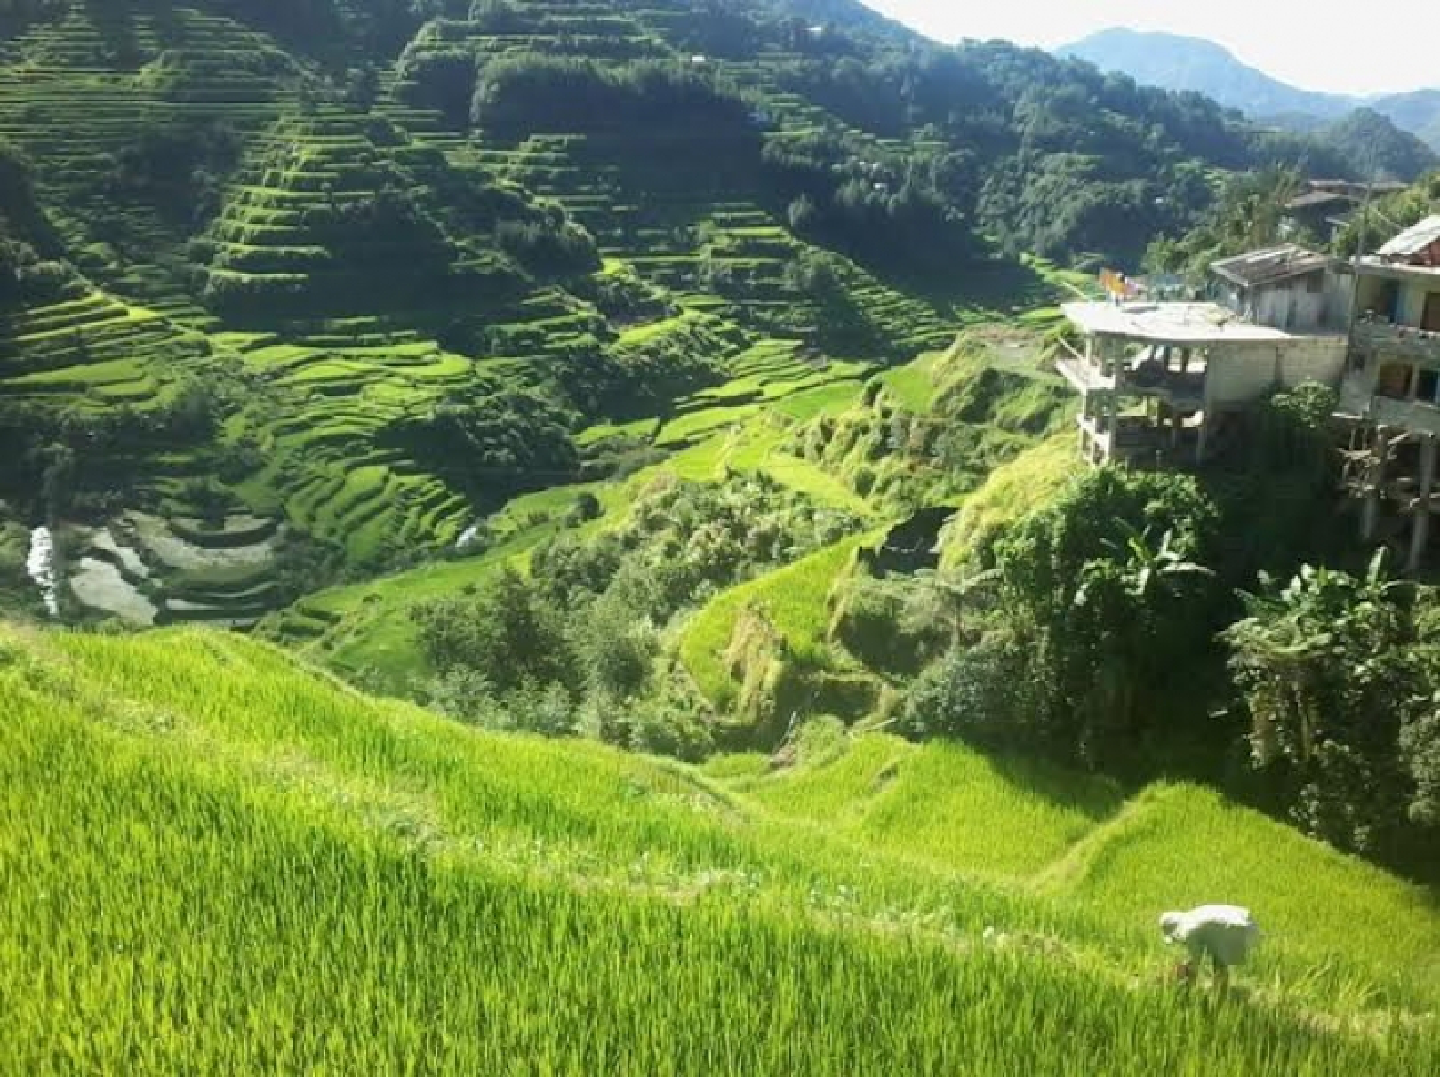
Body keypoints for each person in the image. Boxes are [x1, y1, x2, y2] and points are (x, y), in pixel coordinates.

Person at [1159, 905, 1260, 991]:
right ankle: (1221, 987)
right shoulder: (1193, 916)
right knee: (1217, 956)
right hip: (1245, 919)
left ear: (1173, 929)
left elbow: (1196, 960)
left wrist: (1185, 975)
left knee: (1217, 958)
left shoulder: (1188, 931)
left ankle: (1221, 990)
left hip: (1236, 927)